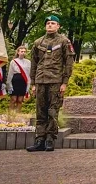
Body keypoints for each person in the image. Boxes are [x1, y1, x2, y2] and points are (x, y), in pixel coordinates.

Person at [26, 15, 75, 153]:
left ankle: (49, 139)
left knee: (52, 111)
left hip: (56, 81)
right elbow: (34, 63)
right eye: (48, 23)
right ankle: (39, 139)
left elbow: (68, 63)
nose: (50, 25)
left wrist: (65, 82)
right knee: (40, 112)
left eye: (53, 23)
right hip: (41, 81)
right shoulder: (38, 42)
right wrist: (33, 83)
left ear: (58, 26)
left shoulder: (64, 41)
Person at [7, 46, 32, 114]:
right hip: (15, 80)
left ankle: (17, 115)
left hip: (23, 81)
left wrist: (28, 85)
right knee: (13, 99)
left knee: (20, 100)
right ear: (18, 52)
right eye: (21, 51)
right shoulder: (13, 61)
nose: (23, 53)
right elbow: (10, 73)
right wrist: (9, 85)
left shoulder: (28, 62)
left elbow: (29, 74)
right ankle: (10, 115)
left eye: (24, 51)